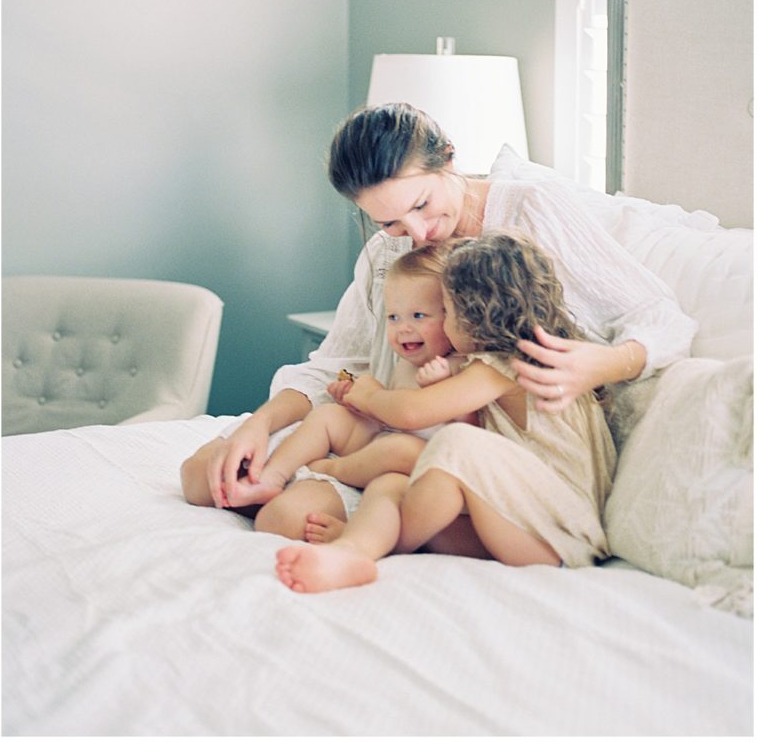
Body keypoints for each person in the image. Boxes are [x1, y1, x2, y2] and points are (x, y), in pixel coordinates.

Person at [180, 102, 696, 544]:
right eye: (390, 221)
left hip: (458, 447)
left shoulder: (529, 213)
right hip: (382, 431)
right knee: (202, 475)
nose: (417, 232)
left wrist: (601, 364)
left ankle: (356, 511)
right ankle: (317, 481)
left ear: (448, 157)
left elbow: (661, 319)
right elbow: (336, 365)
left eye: (422, 204)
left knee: (282, 519)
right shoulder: (387, 252)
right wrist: (259, 423)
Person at [275, 231, 618, 592]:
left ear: (474, 317)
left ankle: (377, 543)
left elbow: (412, 413)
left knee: (455, 446)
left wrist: (371, 394)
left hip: (556, 536)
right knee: (392, 486)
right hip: (517, 523)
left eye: (449, 312)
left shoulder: (511, 365)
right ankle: (356, 548)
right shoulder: (516, 362)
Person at [218, 247, 463, 524]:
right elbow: (386, 410)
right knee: (328, 416)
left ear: (453, 314)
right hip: (383, 441)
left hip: (418, 461)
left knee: (396, 450)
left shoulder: (458, 365)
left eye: (419, 315)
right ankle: (271, 478)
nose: (403, 328)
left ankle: (335, 470)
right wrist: (356, 400)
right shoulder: (406, 361)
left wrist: (442, 385)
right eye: (394, 317)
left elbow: (470, 430)